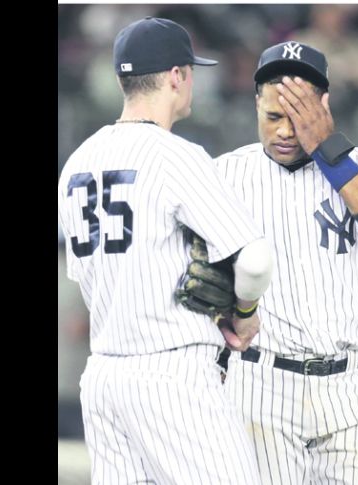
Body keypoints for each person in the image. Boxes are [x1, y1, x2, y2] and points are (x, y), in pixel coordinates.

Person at [57, 17, 273, 484]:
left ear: (122, 79)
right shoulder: (174, 154)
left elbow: (85, 276)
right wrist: (246, 310)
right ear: (177, 76)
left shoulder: (76, 163)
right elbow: (254, 258)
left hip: (104, 376)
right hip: (171, 370)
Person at [208, 41, 358, 484]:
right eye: (273, 116)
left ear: (324, 107)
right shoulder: (223, 176)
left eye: (298, 117)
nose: (286, 131)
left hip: (351, 385)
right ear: (255, 106)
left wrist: (330, 152)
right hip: (260, 382)